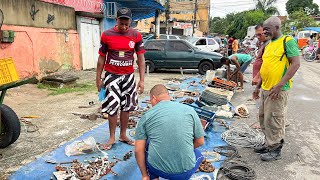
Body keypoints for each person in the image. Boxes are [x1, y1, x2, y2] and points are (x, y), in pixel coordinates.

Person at [96, 7, 146, 150]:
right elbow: (101, 58)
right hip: (111, 76)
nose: (124, 26)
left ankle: (123, 134)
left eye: (126, 23)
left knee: (127, 107)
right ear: (116, 20)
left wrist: (141, 80)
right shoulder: (106, 35)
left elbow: (141, 59)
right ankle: (112, 137)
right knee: (112, 107)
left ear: (130, 21)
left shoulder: (136, 36)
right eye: (121, 23)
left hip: (129, 77)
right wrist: (98, 78)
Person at [253, 17, 300, 161]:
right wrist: (258, 87)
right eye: (264, 29)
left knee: (275, 119)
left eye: (267, 29)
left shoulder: (287, 41)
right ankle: (269, 144)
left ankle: (275, 150)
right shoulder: (268, 44)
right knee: (264, 118)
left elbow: (296, 64)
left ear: (277, 27)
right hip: (266, 88)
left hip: (278, 90)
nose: (265, 31)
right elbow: (265, 67)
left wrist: (279, 85)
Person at [135, 84, 205, 180]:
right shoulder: (190, 110)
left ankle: (153, 177)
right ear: (168, 96)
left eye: (150, 101)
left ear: (154, 98)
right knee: (198, 154)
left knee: (147, 146)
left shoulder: (146, 116)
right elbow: (200, 142)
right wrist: (181, 149)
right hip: (184, 173)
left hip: (157, 169)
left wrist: (144, 175)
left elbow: (138, 150)